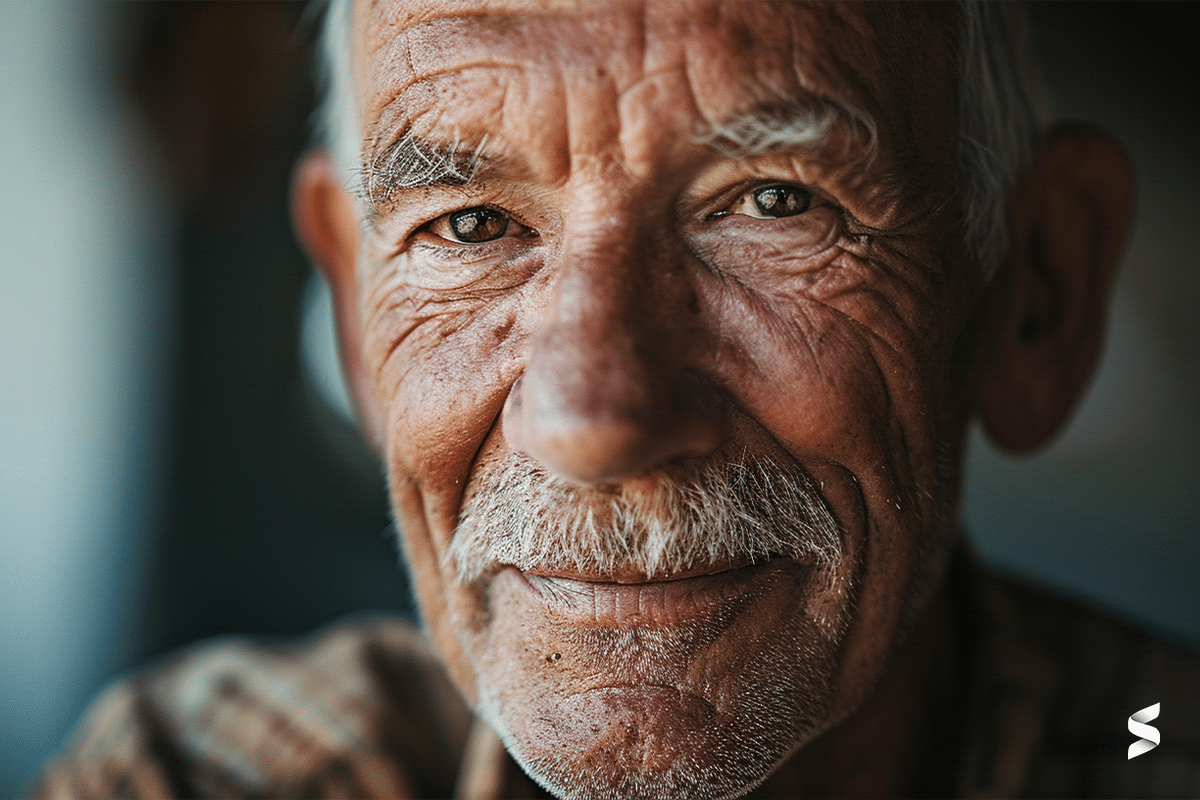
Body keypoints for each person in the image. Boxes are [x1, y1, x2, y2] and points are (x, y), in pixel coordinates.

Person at [31, 1, 1200, 798]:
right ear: (353, 313)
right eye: (471, 225)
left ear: (1038, 291)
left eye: (774, 202)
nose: (592, 422)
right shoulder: (191, 774)